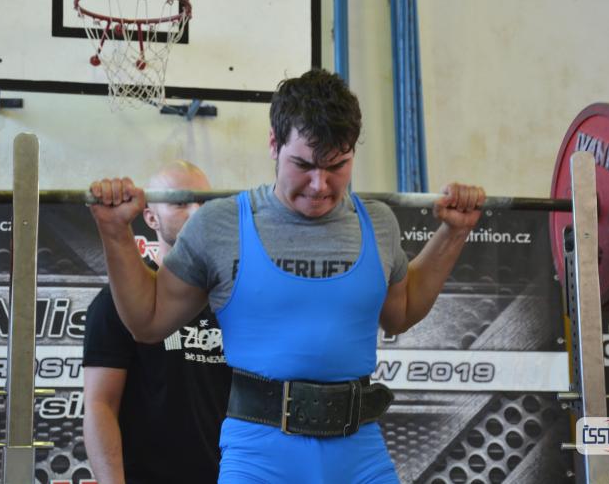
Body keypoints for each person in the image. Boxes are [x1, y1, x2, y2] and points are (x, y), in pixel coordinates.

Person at [89, 69, 485, 483]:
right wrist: (115, 233)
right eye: (303, 165)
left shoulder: (378, 224)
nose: (319, 185)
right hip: (260, 458)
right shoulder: (222, 225)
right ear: (274, 145)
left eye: (337, 166)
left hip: (360, 455)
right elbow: (148, 322)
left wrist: (454, 233)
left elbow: (400, 313)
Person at [83, 160, 232, 484]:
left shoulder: (230, 299)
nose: (196, 212)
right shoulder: (115, 304)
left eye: (204, 202)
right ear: (151, 218)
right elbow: (100, 406)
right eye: (180, 202)